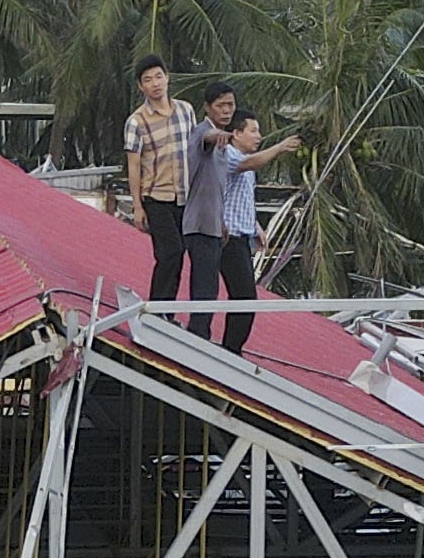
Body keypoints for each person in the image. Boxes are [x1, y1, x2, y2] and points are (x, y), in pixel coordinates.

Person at [179, 81, 301, 349]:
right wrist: (279, 148)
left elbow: (237, 196)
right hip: (226, 235)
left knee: (233, 294)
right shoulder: (226, 150)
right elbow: (233, 156)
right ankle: (224, 347)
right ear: (236, 133)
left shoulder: (229, 153)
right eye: (253, 131)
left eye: (230, 105)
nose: (258, 137)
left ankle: (227, 346)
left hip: (238, 234)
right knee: (231, 293)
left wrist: (255, 226)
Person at [120, 55, 194, 306]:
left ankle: (167, 311)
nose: (155, 84)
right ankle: (155, 308)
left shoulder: (186, 110)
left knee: (180, 253)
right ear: (141, 87)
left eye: (158, 76)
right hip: (155, 196)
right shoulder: (136, 121)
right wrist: (137, 207)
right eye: (148, 80)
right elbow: (133, 165)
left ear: (167, 77)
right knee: (169, 251)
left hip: (184, 196)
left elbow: (194, 150)